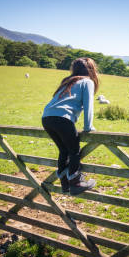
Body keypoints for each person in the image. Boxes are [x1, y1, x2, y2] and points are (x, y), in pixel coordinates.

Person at [42, 57, 98, 195]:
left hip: (46, 117)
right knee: (74, 151)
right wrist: (88, 127)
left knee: (64, 150)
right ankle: (76, 183)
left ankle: (65, 184)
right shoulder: (87, 82)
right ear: (91, 69)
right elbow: (88, 106)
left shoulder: (68, 81)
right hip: (63, 118)